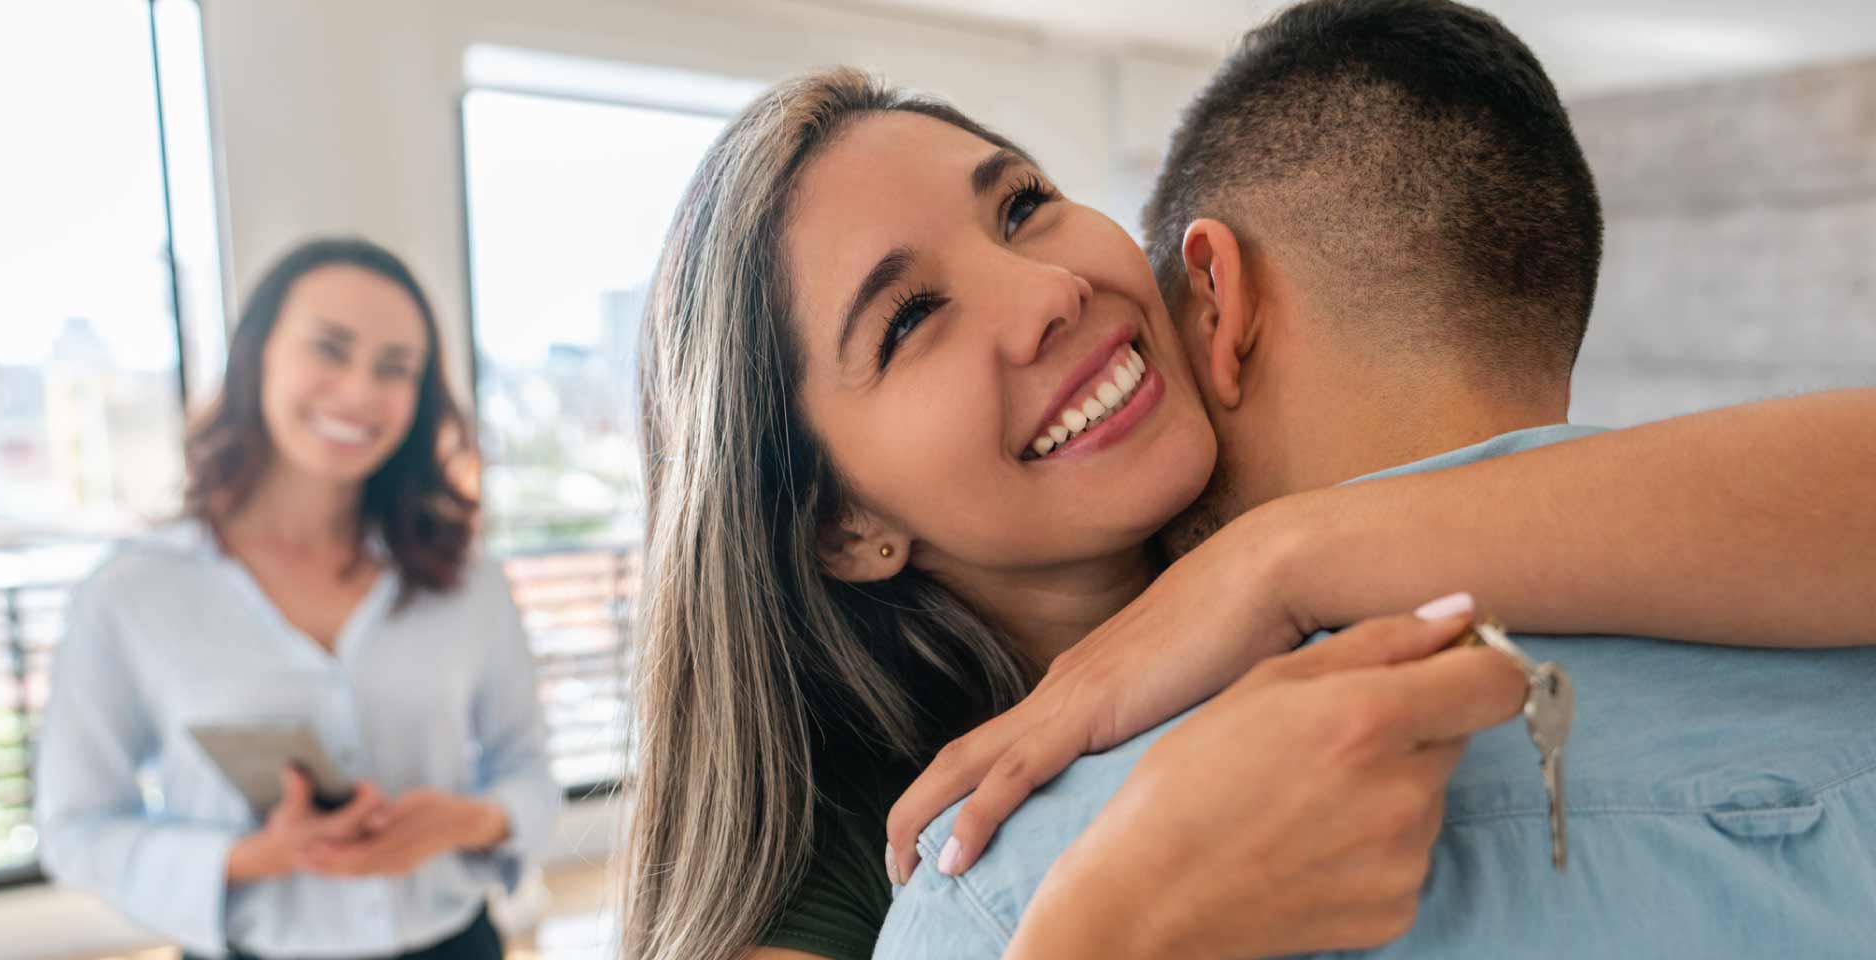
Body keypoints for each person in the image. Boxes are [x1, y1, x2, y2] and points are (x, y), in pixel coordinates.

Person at [623, 62, 1876, 960]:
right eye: (909, 318)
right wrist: (1119, 925)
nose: (1048, 289)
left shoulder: (1320, 570)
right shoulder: (876, 887)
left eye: (1020, 205)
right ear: (845, 529)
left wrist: (1279, 560)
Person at [35, 238, 561, 959]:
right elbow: (76, 829)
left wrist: (462, 823)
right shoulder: (133, 592)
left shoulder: (467, 580)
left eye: (394, 368)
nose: (358, 391)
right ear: (256, 359)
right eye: (329, 349)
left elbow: (529, 775)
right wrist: (257, 856)